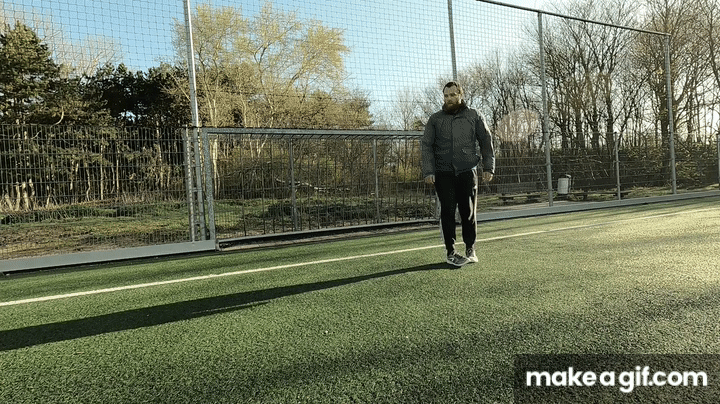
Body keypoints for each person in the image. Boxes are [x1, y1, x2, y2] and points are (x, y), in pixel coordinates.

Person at [421, 81, 495, 267]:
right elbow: (427, 146)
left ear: (460, 95)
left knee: (468, 212)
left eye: (453, 95)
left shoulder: (474, 115)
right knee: (447, 212)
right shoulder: (435, 119)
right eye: (446, 96)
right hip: (443, 173)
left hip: (467, 171)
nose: (449, 99)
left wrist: (488, 167)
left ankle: (470, 248)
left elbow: (486, 140)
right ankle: (451, 252)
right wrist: (429, 170)